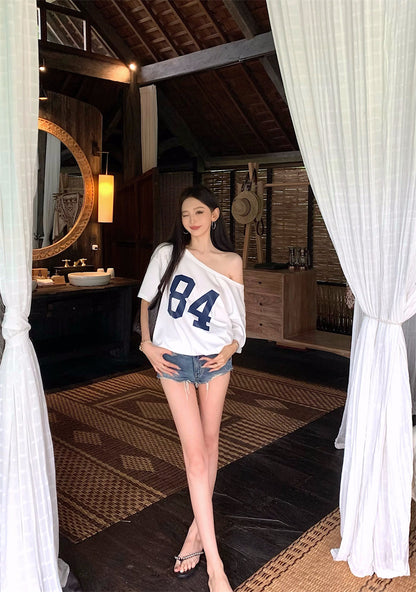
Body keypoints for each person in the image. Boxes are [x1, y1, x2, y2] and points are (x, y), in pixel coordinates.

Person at [138, 185, 246, 592]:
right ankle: (216, 568)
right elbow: (146, 301)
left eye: (199, 212)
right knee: (195, 456)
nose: (192, 220)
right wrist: (146, 344)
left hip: (215, 362)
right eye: (185, 214)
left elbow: (236, 321)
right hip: (174, 364)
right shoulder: (168, 254)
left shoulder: (231, 262)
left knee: (210, 444)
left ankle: (196, 532)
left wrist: (231, 347)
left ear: (215, 215)